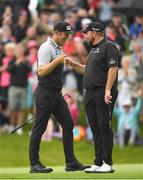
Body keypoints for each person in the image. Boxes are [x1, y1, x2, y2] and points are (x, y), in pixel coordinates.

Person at [29, 21, 89, 173]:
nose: (67, 37)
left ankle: (71, 162)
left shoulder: (58, 48)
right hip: (45, 93)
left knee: (68, 124)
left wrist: (87, 68)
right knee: (39, 128)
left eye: (68, 35)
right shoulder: (45, 48)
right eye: (65, 34)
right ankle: (34, 164)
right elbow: (41, 71)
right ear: (56, 33)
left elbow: (67, 64)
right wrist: (58, 60)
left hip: (56, 94)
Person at [65, 21, 120, 173]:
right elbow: (88, 70)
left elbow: (113, 68)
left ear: (95, 33)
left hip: (103, 92)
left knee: (104, 126)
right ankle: (98, 161)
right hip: (89, 93)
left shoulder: (108, 47)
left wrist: (108, 90)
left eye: (87, 33)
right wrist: (74, 65)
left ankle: (107, 163)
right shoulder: (93, 50)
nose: (85, 36)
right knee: (95, 127)